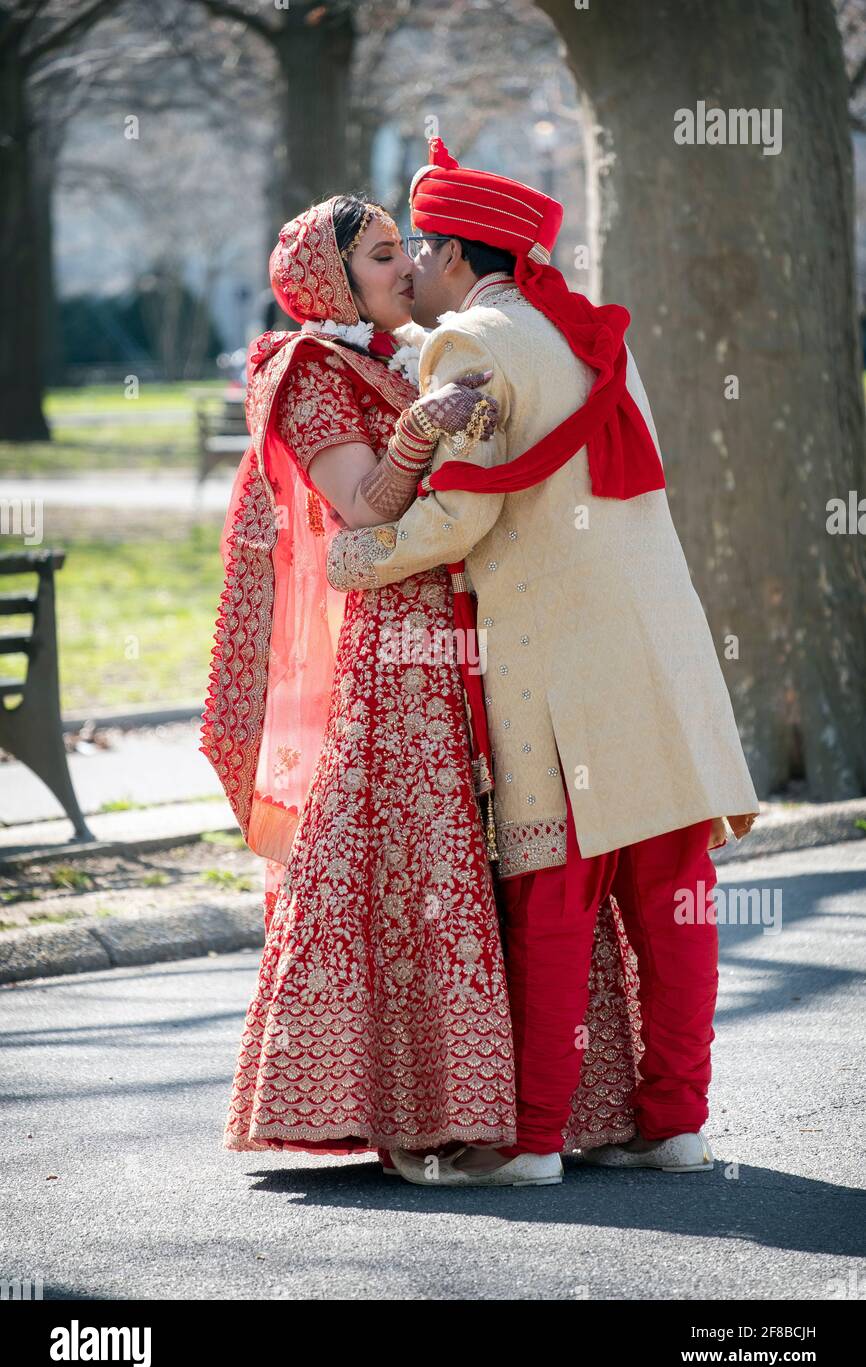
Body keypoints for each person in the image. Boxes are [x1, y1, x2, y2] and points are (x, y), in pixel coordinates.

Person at [325, 142, 761, 1187]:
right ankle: (675, 1125)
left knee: (555, 899)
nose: (409, 270)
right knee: (672, 891)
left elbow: (464, 510)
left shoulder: (465, 340)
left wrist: (354, 554)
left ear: (448, 252)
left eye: (415, 249)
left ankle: (527, 1143)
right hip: (661, 647)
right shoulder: (585, 327)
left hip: (558, 663)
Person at [200, 193, 644, 1182]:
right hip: (399, 650)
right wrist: (419, 435)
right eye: (384, 255)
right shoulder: (307, 370)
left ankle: (542, 1110)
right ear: (333, 278)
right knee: (418, 859)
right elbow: (357, 510)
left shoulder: (398, 358)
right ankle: (410, 1111)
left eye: (408, 250)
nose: (407, 267)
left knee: (506, 850)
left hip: (472, 628)